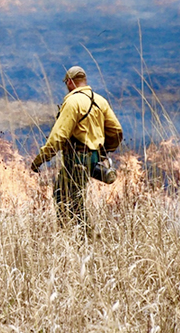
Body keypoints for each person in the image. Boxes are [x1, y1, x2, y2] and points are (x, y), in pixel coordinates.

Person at [31, 66, 123, 230]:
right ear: (84, 80)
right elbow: (116, 131)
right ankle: (79, 236)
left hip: (76, 158)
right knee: (72, 197)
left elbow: (58, 137)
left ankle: (84, 238)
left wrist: (40, 160)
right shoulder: (100, 100)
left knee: (68, 200)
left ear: (70, 82)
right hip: (93, 158)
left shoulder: (72, 102)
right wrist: (103, 151)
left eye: (67, 83)